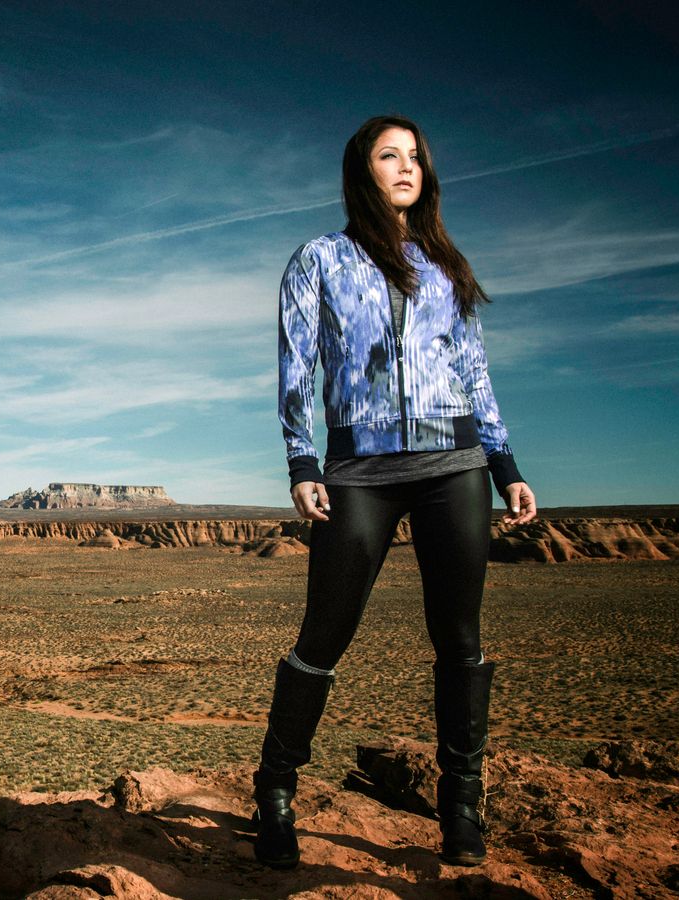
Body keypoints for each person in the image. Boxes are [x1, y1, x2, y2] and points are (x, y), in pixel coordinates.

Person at [254, 115, 537, 870]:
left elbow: (473, 370)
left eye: (415, 156)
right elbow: (296, 368)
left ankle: (461, 806)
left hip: (456, 465)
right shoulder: (320, 259)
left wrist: (505, 466)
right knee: (325, 633)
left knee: (461, 640)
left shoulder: (445, 263)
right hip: (359, 471)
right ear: (362, 170)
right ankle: (275, 790)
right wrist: (301, 463)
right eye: (390, 155)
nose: (406, 167)